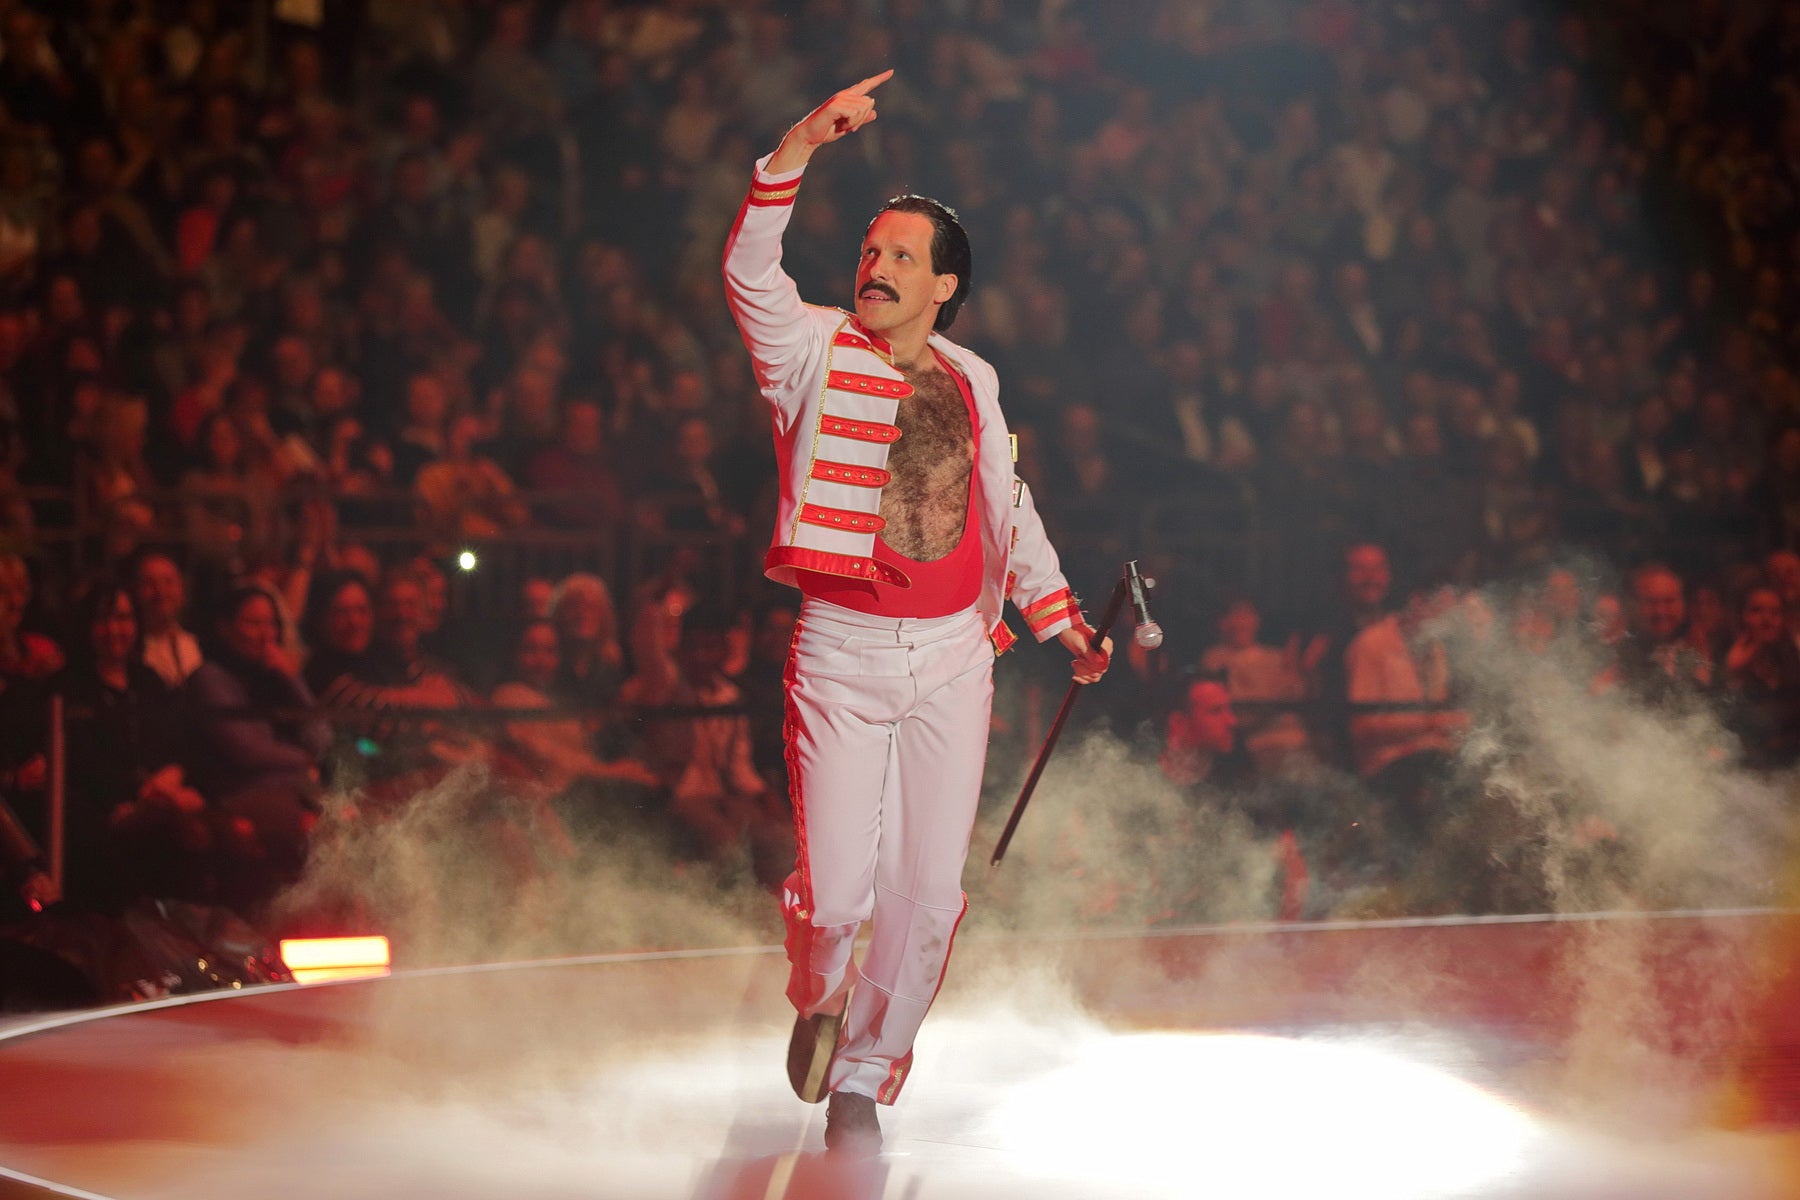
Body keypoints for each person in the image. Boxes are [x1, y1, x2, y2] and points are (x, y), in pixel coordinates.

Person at [722, 71, 1110, 1154]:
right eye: (869, 249)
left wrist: (1062, 621)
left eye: (900, 254)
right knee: (837, 903)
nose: (875, 265)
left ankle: (865, 1074)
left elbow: (1007, 509)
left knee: (928, 899)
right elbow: (749, 270)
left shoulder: (974, 379)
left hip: (953, 657)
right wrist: (801, 144)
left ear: (944, 285)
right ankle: (818, 995)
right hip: (841, 654)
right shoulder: (807, 350)